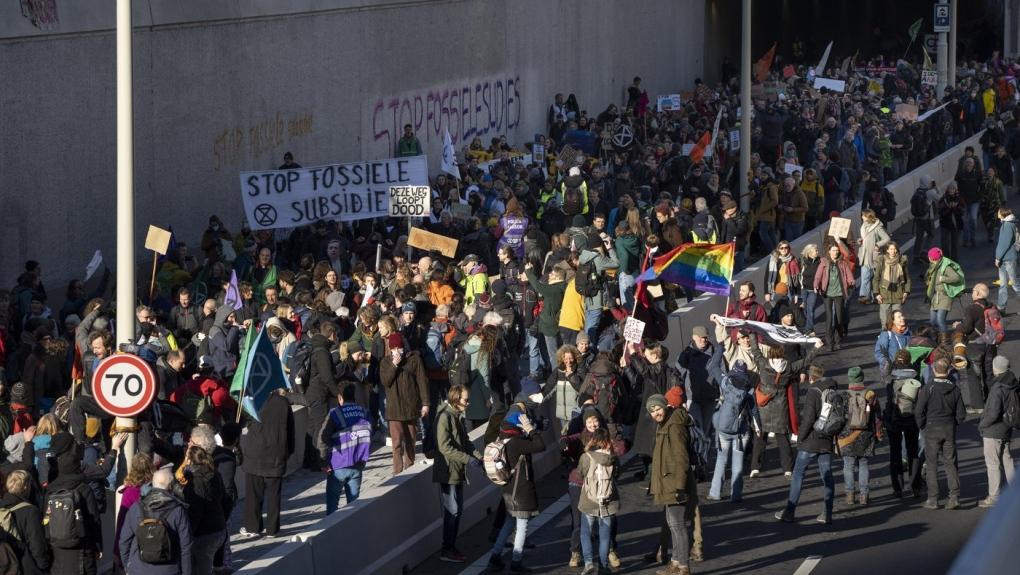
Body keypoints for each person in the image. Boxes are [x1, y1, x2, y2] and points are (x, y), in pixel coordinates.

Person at [487, 387, 546, 574]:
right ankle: (516, 560)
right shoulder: (517, 443)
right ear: (517, 428)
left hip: (508, 488)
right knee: (522, 526)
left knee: (509, 522)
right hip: (521, 489)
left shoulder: (503, 441)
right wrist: (531, 430)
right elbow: (540, 445)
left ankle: (495, 557)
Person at [775, 368, 837, 525]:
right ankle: (827, 513)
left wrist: (800, 438)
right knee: (827, 476)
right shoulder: (833, 391)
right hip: (827, 439)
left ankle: (789, 511)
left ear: (811, 378)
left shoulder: (813, 392)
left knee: (798, 474)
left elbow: (808, 419)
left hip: (810, 441)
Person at [432, 384, 482, 563]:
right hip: (448, 471)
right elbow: (444, 447)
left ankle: (451, 547)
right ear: (455, 399)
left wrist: (479, 457)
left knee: (457, 510)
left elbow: (466, 442)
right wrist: (469, 460)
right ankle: (447, 549)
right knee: (452, 511)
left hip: (456, 469)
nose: (468, 403)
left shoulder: (457, 416)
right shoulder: (445, 417)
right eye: (465, 400)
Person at [645, 394, 692, 575]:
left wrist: (680, 487)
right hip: (669, 481)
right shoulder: (667, 423)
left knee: (678, 525)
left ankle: (683, 566)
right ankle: (675, 562)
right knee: (673, 523)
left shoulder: (674, 426)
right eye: (652, 411)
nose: (656, 413)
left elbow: (682, 459)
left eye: (658, 408)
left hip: (674, 483)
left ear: (665, 406)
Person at [239, 391, 295, 539]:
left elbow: (246, 422)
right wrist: (290, 450)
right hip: (276, 452)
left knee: (253, 495)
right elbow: (290, 429)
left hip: (255, 453)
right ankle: (272, 529)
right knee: (274, 495)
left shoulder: (253, 399)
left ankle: (253, 527)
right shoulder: (283, 402)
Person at [118, 468, 193, 575]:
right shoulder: (178, 510)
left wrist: (128, 566)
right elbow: (186, 547)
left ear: (152, 484)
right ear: (171, 487)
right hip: (169, 570)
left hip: (138, 569)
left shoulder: (136, 507)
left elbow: (124, 541)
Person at [915, 358, 966, 510]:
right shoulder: (955, 389)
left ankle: (933, 499)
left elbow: (918, 411)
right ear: (948, 371)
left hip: (931, 428)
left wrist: (922, 425)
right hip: (948, 428)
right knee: (950, 463)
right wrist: (953, 423)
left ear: (935, 370)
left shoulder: (928, 388)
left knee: (931, 464)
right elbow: (961, 414)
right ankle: (954, 496)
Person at [706, 359, 758, 503]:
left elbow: (714, 366)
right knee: (738, 464)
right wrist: (758, 428)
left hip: (724, 429)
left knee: (721, 460)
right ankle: (736, 495)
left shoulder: (724, 382)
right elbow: (754, 411)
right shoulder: (749, 389)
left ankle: (715, 492)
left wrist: (720, 347)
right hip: (741, 431)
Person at [379, 332, 430, 475]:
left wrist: (425, 403)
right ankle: (397, 470)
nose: (397, 351)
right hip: (394, 409)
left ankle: (410, 467)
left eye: (399, 348)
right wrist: (394, 365)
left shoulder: (414, 359)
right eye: (393, 348)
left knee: (411, 440)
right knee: (396, 442)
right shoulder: (385, 362)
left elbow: (422, 381)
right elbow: (385, 381)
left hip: (411, 406)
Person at [177, 438, 228, 575]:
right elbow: (224, 499)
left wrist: (187, 535)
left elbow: (195, 513)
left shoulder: (196, 483)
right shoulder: (214, 474)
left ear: (190, 461)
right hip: (219, 529)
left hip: (204, 534)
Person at [321, 385, 372, 515]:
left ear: (340, 397)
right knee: (354, 508)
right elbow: (370, 433)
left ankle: (333, 535)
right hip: (357, 465)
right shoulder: (364, 412)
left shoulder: (335, 413)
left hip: (338, 465)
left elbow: (323, 438)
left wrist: (323, 461)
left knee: (332, 507)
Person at [576, 427, 620, 575]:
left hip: (589, 500)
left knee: (585, 532)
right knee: (605, 536)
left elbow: (580, 474)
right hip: (608, 501)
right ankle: (603, 566)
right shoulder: (613, 457)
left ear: (593, 439)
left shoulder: (586, 457)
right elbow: (617, 474)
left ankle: (588, 562)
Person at [837, 367, 883, 506]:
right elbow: (878, 418)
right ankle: (864, 495)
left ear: (850, 379)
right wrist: (878, 434)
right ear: (862, 378)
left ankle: (850, 495)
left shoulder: (844, 396)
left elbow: (839, 418)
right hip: (866, 434)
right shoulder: (870, 395)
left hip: (847, 436)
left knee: (848, 466)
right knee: (863, 464)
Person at [977, 356, 1017, 508]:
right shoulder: (1012, 382)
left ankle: (994, 496)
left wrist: (982, 424)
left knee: (992, 464)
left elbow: (993, 412)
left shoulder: (997, 387)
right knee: (1007, 459)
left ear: (995, 368)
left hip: (993, 430)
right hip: (1007, 427)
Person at [886, 351, 924, 499]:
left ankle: (897, 488)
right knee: (913, 453)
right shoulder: (916, 378)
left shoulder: (892, 379)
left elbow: (889, 400)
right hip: (912, 420)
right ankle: (915, 486)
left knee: (895, 454)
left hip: (894, 420)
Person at [954, 282, 997, 410]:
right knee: (989, 375)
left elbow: (967, 328)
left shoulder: (972, 308)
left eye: (973, 291)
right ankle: (992, 403)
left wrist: (957, 326)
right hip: (991, 345)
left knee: (973, 376)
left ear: (978, 293)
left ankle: (978, 406)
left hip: (975, 346)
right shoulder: (992, 306)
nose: (972, 293)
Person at [0, 469, 51, 575]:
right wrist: (44, 566)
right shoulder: (31, 511)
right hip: (29, 567)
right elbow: (37, 546)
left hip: (10, 566)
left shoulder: (2, 508)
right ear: (26, 487)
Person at [113, 453, 153, 575]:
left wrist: (117, 551)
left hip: (136, 542)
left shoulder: (129, 492)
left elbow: (121, 522)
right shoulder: (156, 488)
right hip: (155, 539)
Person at [813, 244, 855, 350]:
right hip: (827, 293)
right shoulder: (824, 263)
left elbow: (849, 275)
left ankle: (838, 340)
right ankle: (830, 343)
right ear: (829, 252)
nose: (835, 252)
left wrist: (851, 281)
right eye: (833, 250)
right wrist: (816, 285)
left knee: (839, 318)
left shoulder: (842, 263)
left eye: (837, 250)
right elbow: (818, 276)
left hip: (839, 293)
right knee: (829, 318)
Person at [924, 247, 965, 333]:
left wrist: (943, 279)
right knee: (933, 321)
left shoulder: (945, 266)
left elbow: (956, 277)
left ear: (931, 258)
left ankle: (945, 339)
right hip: (935, 297)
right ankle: (936, 338)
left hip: (945, 296)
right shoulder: (933, 266)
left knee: (940, 320)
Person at [873, 242, 910, 327]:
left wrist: (906, 292)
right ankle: (886, 339)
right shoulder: (882, 261)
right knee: (885, 322)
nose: (893, 251)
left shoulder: (901, 261)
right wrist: (876, 293)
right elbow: (876, 279)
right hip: (884, 296)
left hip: (898, 295)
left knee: (897, 322)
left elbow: (907, 279)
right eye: (891, 249)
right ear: (887, 250)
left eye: (895, 249)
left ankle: (896, 338)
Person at [858, 209, 891, 305]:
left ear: (868, 216)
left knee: (875, 278)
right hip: (865, 255)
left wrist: (877, 245)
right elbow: (866, 238)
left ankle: (875, 296)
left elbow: (887, 238)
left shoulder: (877, 227)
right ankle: (865, 296)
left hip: (874, 255)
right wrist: (861, 240)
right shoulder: (864, 226)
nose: (862, 217)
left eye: (863, 216)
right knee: (865, 276)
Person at [994, 206, 1020, 311]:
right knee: (1003, 284)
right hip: (1008, 259)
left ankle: (1001, 307)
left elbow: (1003, 244)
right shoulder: (1011, 223)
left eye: (998, 212)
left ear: (1002, 213)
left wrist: (998, 258)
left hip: (1007, 259)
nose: (997, 213)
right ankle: (1001, 307)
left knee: (1014, 284)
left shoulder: (1007, 225)